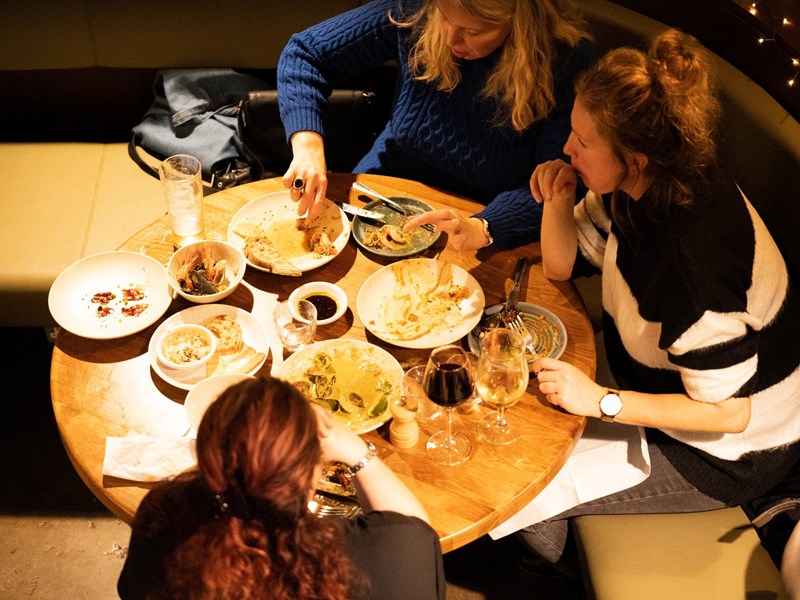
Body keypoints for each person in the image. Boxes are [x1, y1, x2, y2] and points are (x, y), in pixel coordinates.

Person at [520, 29, 800, 575]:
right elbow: (559, 266)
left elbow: (729, 413)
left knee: (534, 490)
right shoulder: (641, 186)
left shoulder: (695, 266)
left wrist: (601, 401)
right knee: (525, 419)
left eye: (582, 142)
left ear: (635, 158)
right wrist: (557, 198)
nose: (566, 149)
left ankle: (544, 581)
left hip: (728, 452)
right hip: (657, 383)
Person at [277, 0, 594, 250]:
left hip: (481, 221)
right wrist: (308, 147)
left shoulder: (563, 62)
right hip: (383, 185)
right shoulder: (415, 9)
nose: (450, 38)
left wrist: (485, 226)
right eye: (443, 15)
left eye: (473, 31)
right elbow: (304, 54)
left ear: (520, 21)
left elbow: (558, 188)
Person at [117, 376, 445, 599]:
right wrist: (354, 450)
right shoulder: (372, 566)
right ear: (311, 478)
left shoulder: (162, 521)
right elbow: (412, 530)